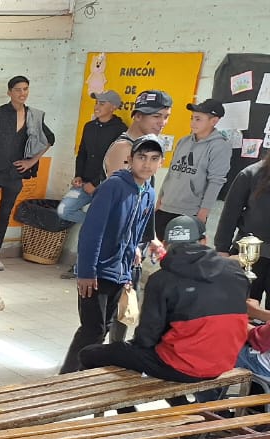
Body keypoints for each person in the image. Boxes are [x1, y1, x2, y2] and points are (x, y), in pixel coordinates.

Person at [79, 216, 247, 405]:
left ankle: (124, 411)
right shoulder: (235, 271)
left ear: (166, 245)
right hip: (225, 362)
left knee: (90, 353)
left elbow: (146, 337)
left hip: (184, 367)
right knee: (154, 356)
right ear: (203, 241)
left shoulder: (161, 280)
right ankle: (183, 410)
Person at [59, 135, 166, 374]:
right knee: (92, 329)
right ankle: (66, 379)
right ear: (130, 159)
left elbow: (139, 232)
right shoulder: (113, 187)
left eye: (153, 159)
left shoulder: (148, 192)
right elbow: (91, 232)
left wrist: (135, 254)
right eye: (141, 157)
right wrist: (86, 272)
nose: (147, 164)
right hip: (97, 271)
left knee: (104, 327)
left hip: (120, 272)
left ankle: (84, 376)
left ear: (161, 163)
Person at [0, 75, 56, 264]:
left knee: (4, 214)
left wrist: (31, 162)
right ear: (9, 92)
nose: (22, 93)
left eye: (25, 89)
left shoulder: (34, 116)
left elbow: (50, 139)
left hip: (14, 175)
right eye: (17, 90)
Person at [155, 99, 229, 233]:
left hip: (190, 212)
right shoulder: (183, 141)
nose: (193, 122)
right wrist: (160, 199)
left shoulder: (220, 146)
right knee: (159, 245)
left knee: (182, 247)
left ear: (214, 121)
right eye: (192, 118)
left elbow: (216, 181)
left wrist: (204, 212)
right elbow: (171, 172)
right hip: (165, 207)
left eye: (198, 119)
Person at [58, 90, 127, 224]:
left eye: (102, 103)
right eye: (96, 103)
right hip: (83, 183)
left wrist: (95, 184)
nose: (96, 107)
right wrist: (78, 175)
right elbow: (82, 153)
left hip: (105, 186)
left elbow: (116, 163)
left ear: (113, 107)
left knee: (107, 214)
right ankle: (100, 224)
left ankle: (102, 226)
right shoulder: (89, 126)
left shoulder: (121, 130)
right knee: (63, 211)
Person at [215, 150, 270, 301]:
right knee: (241, 305)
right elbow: (230, 214)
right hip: (249, 253)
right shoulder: (250, 174)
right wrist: (222, 249)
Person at [103, 90, 172, 176]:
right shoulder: (124, 148)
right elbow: (116, 184)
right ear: (138, 116)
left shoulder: (143, 146)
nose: (162, 123)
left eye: (166, 117)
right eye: (156, 116)